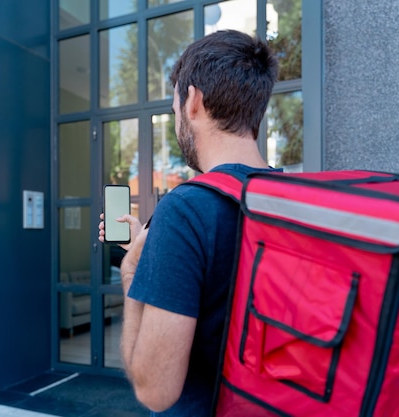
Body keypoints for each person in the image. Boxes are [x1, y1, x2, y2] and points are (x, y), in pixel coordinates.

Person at [99, 30, 280, 416]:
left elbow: (155, 390)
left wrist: (132, 272)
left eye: (174, 108)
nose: (176, 117)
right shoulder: (294, 199)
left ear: (193, 101)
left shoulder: (186, 209)